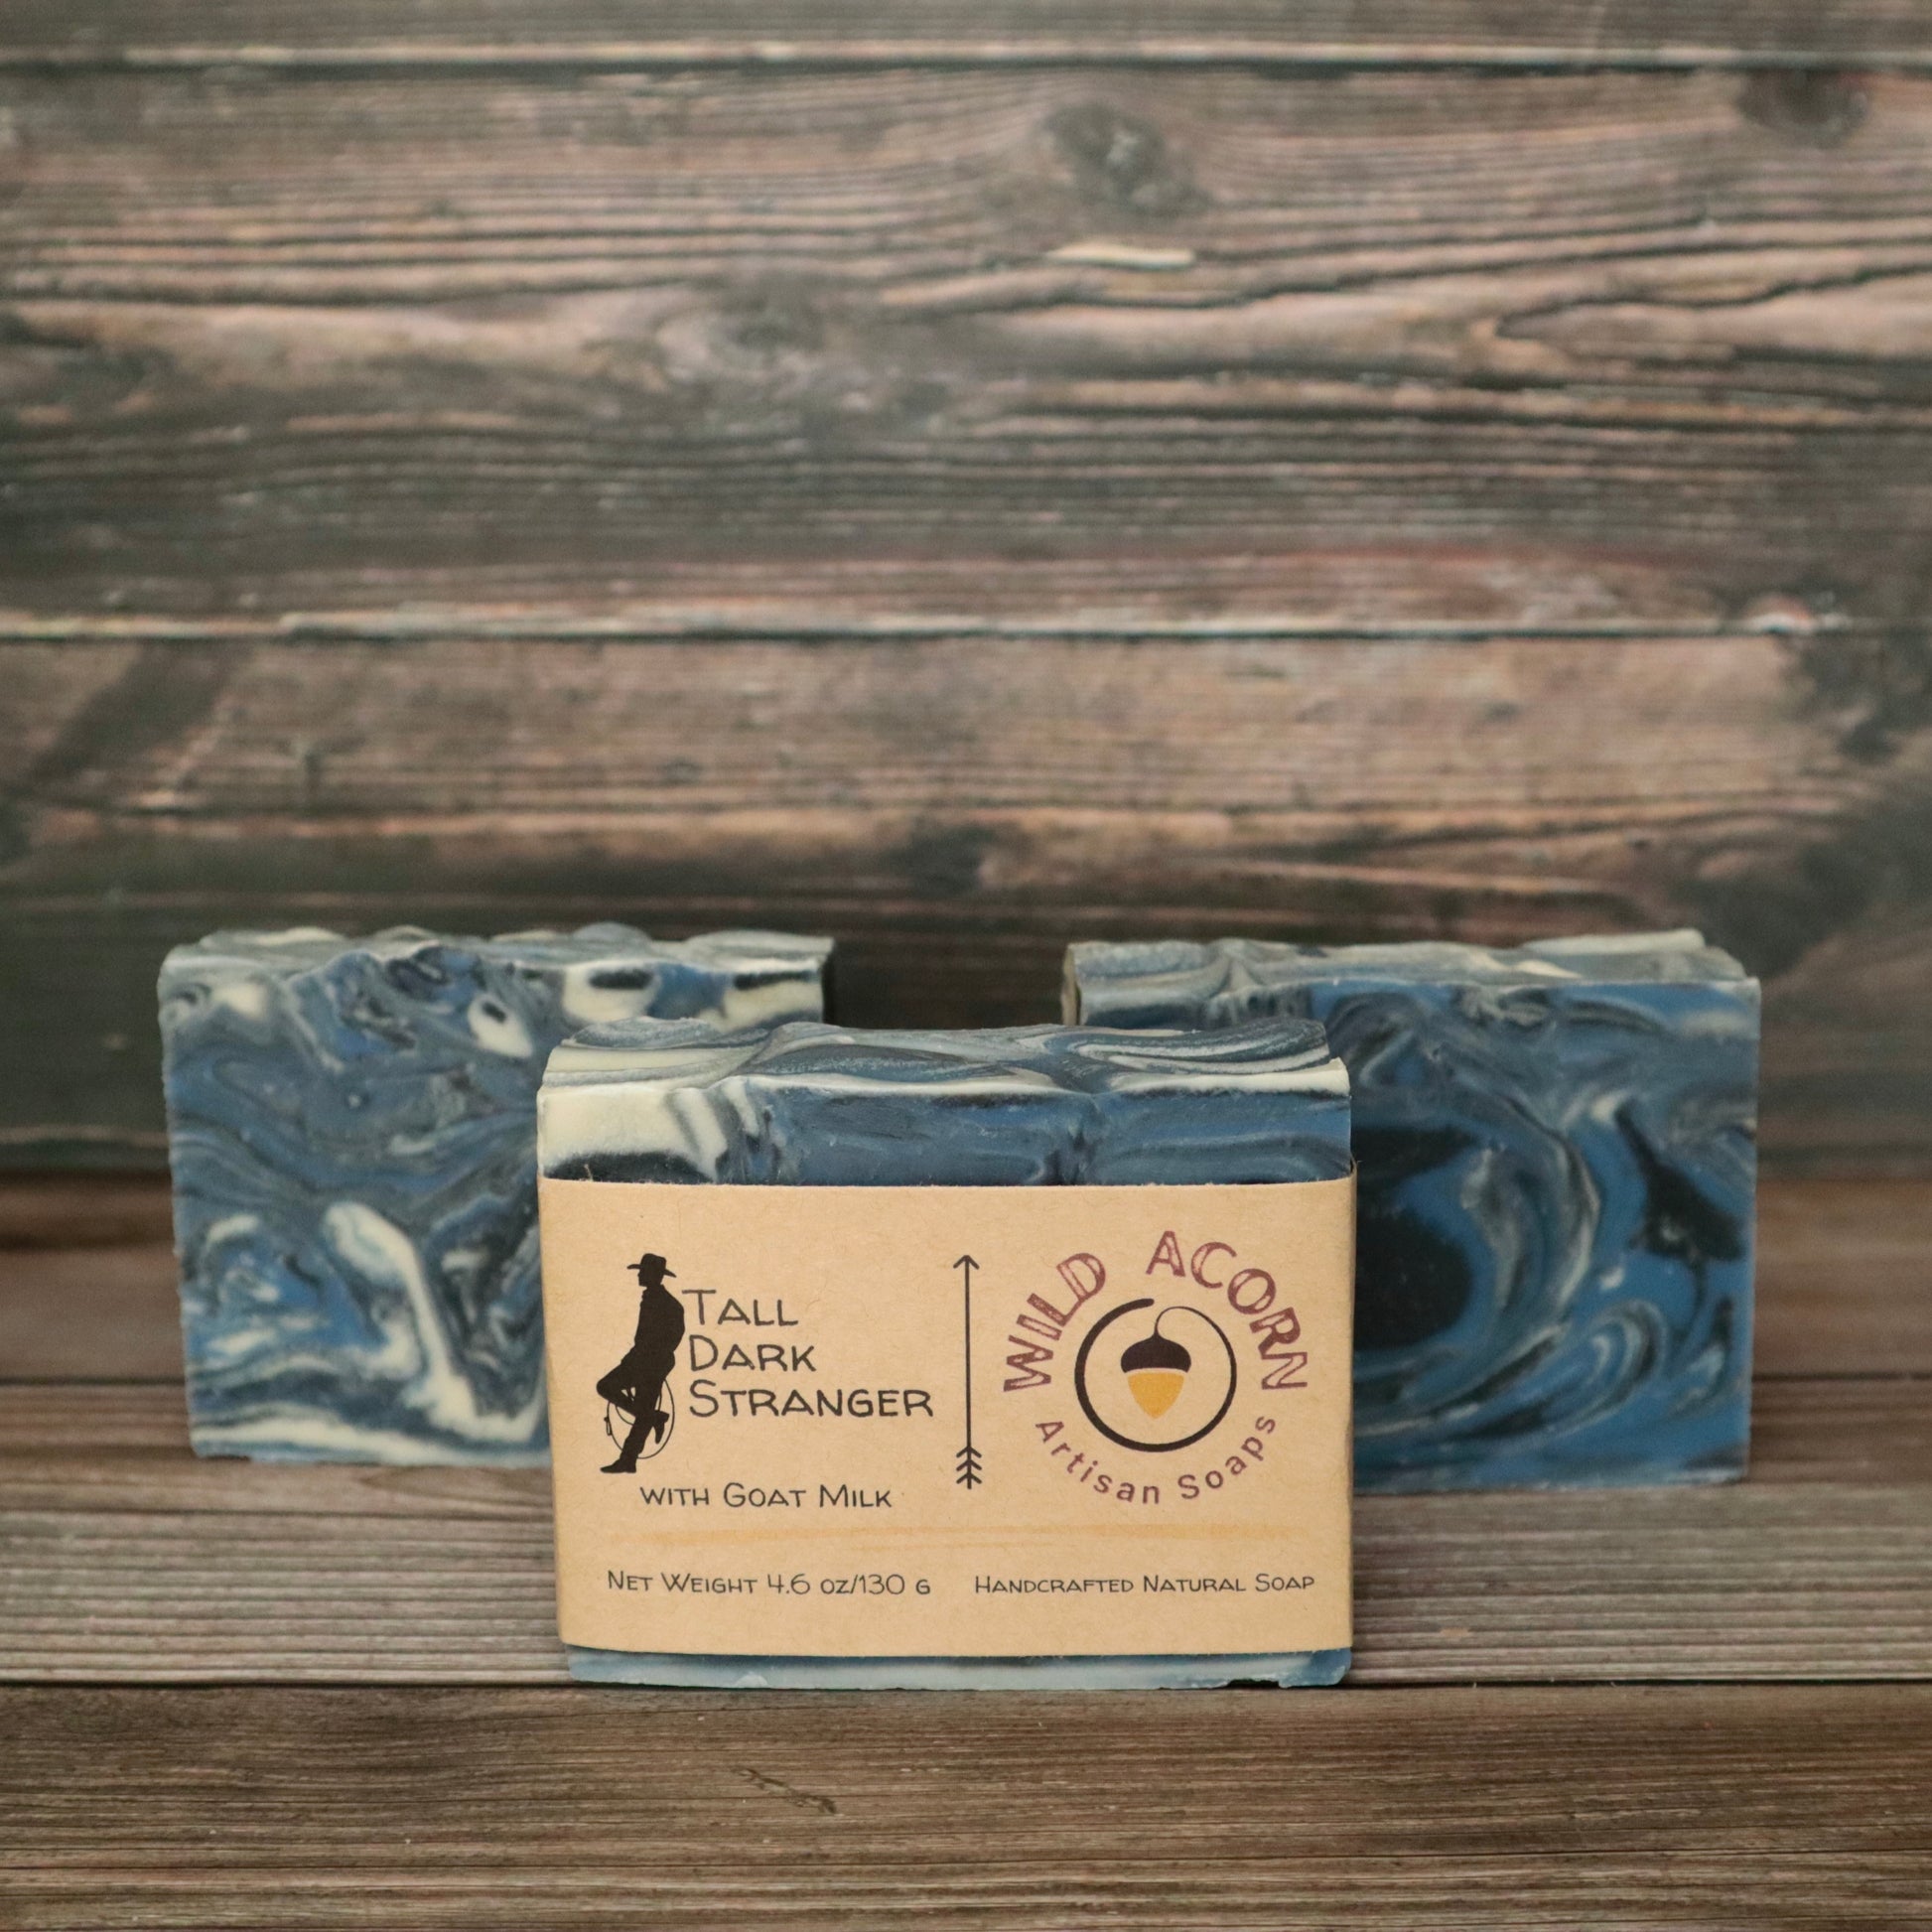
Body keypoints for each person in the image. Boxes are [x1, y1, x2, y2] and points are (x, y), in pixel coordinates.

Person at [597, 1252, 686, 1472]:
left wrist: (648, 1359)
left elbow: (671, 1337)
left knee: (608, 1387)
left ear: (655, 1275)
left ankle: (630, 1457)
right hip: (645, 1361)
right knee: (630, 1401)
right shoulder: (657, 1300)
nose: (639, 1275)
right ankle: (651, 1421)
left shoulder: (667, 1304)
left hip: (651, 1363)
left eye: (643, 1271)